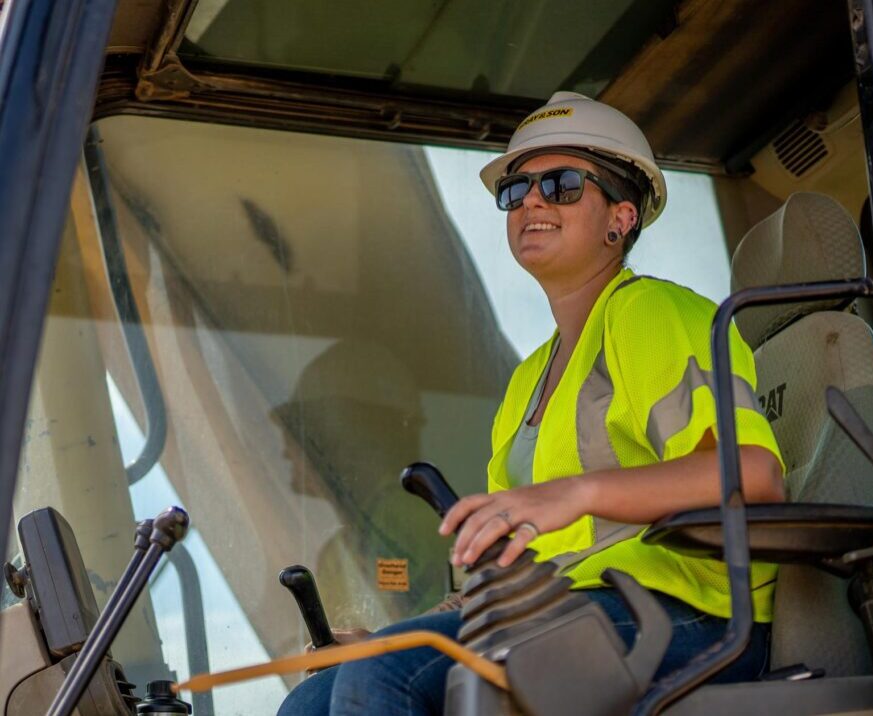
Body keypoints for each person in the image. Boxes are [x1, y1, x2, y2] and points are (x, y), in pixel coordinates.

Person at [278, 91, 784, 716]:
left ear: (621, 218)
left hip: (687, 617)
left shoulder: (655, 311)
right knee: (311, 701)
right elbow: (508, 570)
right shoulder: (527, 382)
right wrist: (392, 640)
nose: (533, 202)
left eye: (563, 184)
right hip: (564, 614)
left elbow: (753, 476)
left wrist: (573, 493)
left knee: (382, 683)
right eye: (516, 192)